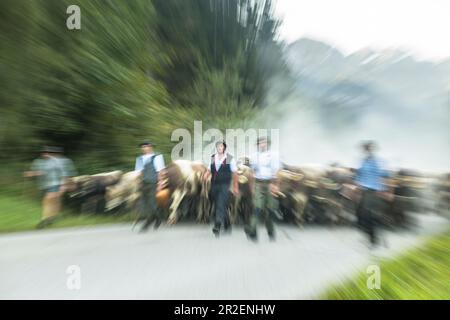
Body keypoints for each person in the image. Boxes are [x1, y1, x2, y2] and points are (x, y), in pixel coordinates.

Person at [354, 141, 389, 248]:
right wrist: (357, 183)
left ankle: (373, 240)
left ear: (372, 150)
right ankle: (371, 235)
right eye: (365, 149)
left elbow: (385, 174)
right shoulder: (363, 161)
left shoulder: (377, 161)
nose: (367, 150)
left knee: (367, 215)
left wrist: (383, 188)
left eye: (368, 149)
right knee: (360, 214)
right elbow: (360, 174)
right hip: (364, 190)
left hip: (373, 190)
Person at [246, 137, 281, 241]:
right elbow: (251, 172)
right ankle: (252, 231)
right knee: (257, 208)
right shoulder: (254, 156)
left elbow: (277, 171)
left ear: (268, 144)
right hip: (258, 184)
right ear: (257, 145)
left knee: (270, 210)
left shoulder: (274, 155)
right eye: (260, 143)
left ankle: (271, 231)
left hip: (270, 184)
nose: (262, 145)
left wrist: (275, 185)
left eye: (264, 143)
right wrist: (252, 186)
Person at [24, 146, 65, 229]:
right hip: (43, 186)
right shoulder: (37, 162)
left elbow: (43, 172)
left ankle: (44, 220)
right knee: (47, 202)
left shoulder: (54, 161)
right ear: (41, 153)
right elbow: (34, 171)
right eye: (44, 152)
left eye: (48, 152)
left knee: (48, 200)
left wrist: (63, 184)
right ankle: (51, 218)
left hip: (54, 184)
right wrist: (29, 174)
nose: (46, 154)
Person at [206, 140, 239, 237]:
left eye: (221, 146)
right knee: (219, 205)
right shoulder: (213, 158)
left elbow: (235, 173)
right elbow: (209, 170)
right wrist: (205, 175)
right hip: (214, 185)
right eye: (218, 146)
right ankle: (228, 225)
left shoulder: (229, 158)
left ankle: (217, 225)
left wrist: (235, 186)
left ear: (224, 148)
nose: (219, 148)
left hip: (225, 185)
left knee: (220, 203)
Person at [135, 141, 166, 232]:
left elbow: (160, 171)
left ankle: (147, 223)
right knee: (145, 203)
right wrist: (139, 183)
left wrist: (160, 183)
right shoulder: (139, 159)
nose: (144, 148)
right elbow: (139, 172)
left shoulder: (157, 157)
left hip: (153, 182)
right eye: (143, 147)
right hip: (144, 182)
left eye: (146, 146)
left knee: (152, 203)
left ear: (150, 147)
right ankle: (158, 218)